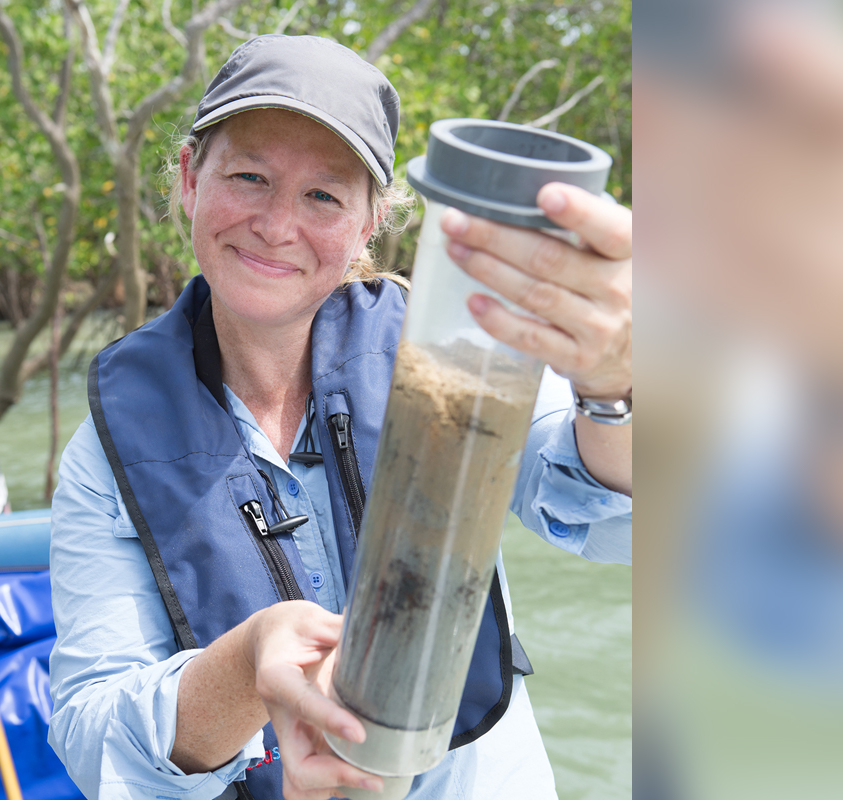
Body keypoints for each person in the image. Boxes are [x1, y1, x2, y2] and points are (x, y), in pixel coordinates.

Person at [48, 34, 632, 800]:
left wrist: (616, 386)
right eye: (249, 176)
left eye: (323, 195)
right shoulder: (106, 453)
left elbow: (613, 518)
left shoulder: (454, 359)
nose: (277, 224)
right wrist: (247, 664)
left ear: (370, 221)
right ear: (191, 179)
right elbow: (94, 735)